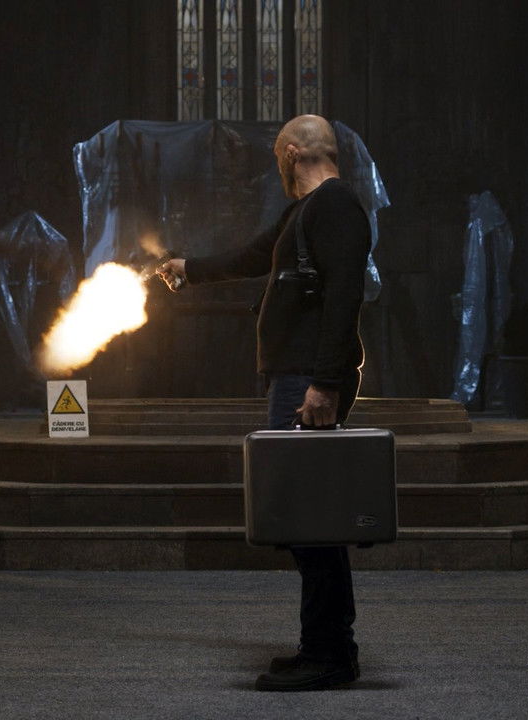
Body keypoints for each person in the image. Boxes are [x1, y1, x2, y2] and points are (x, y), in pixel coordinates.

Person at [159, 115, 371, 692]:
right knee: (306, 514)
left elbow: (345, 295)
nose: (277, 167)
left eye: (278, 157)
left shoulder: (335, 205)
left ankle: (329, 653)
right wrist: (189, 270)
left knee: (307, 515)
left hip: (308, 381)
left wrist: (324, 384)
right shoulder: (304, 212)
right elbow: (255, 256)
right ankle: (326, 645)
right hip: (297, 377)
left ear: (293, 152)